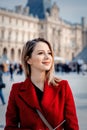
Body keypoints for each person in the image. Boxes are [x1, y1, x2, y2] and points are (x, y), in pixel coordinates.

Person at [4, 38, 79, 130]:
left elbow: (73, 127)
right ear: (28, 60)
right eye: (41, 53)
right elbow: (10, 127)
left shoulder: (63, 87)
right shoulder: (16, 90)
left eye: (49, 53)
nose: (48, 57)